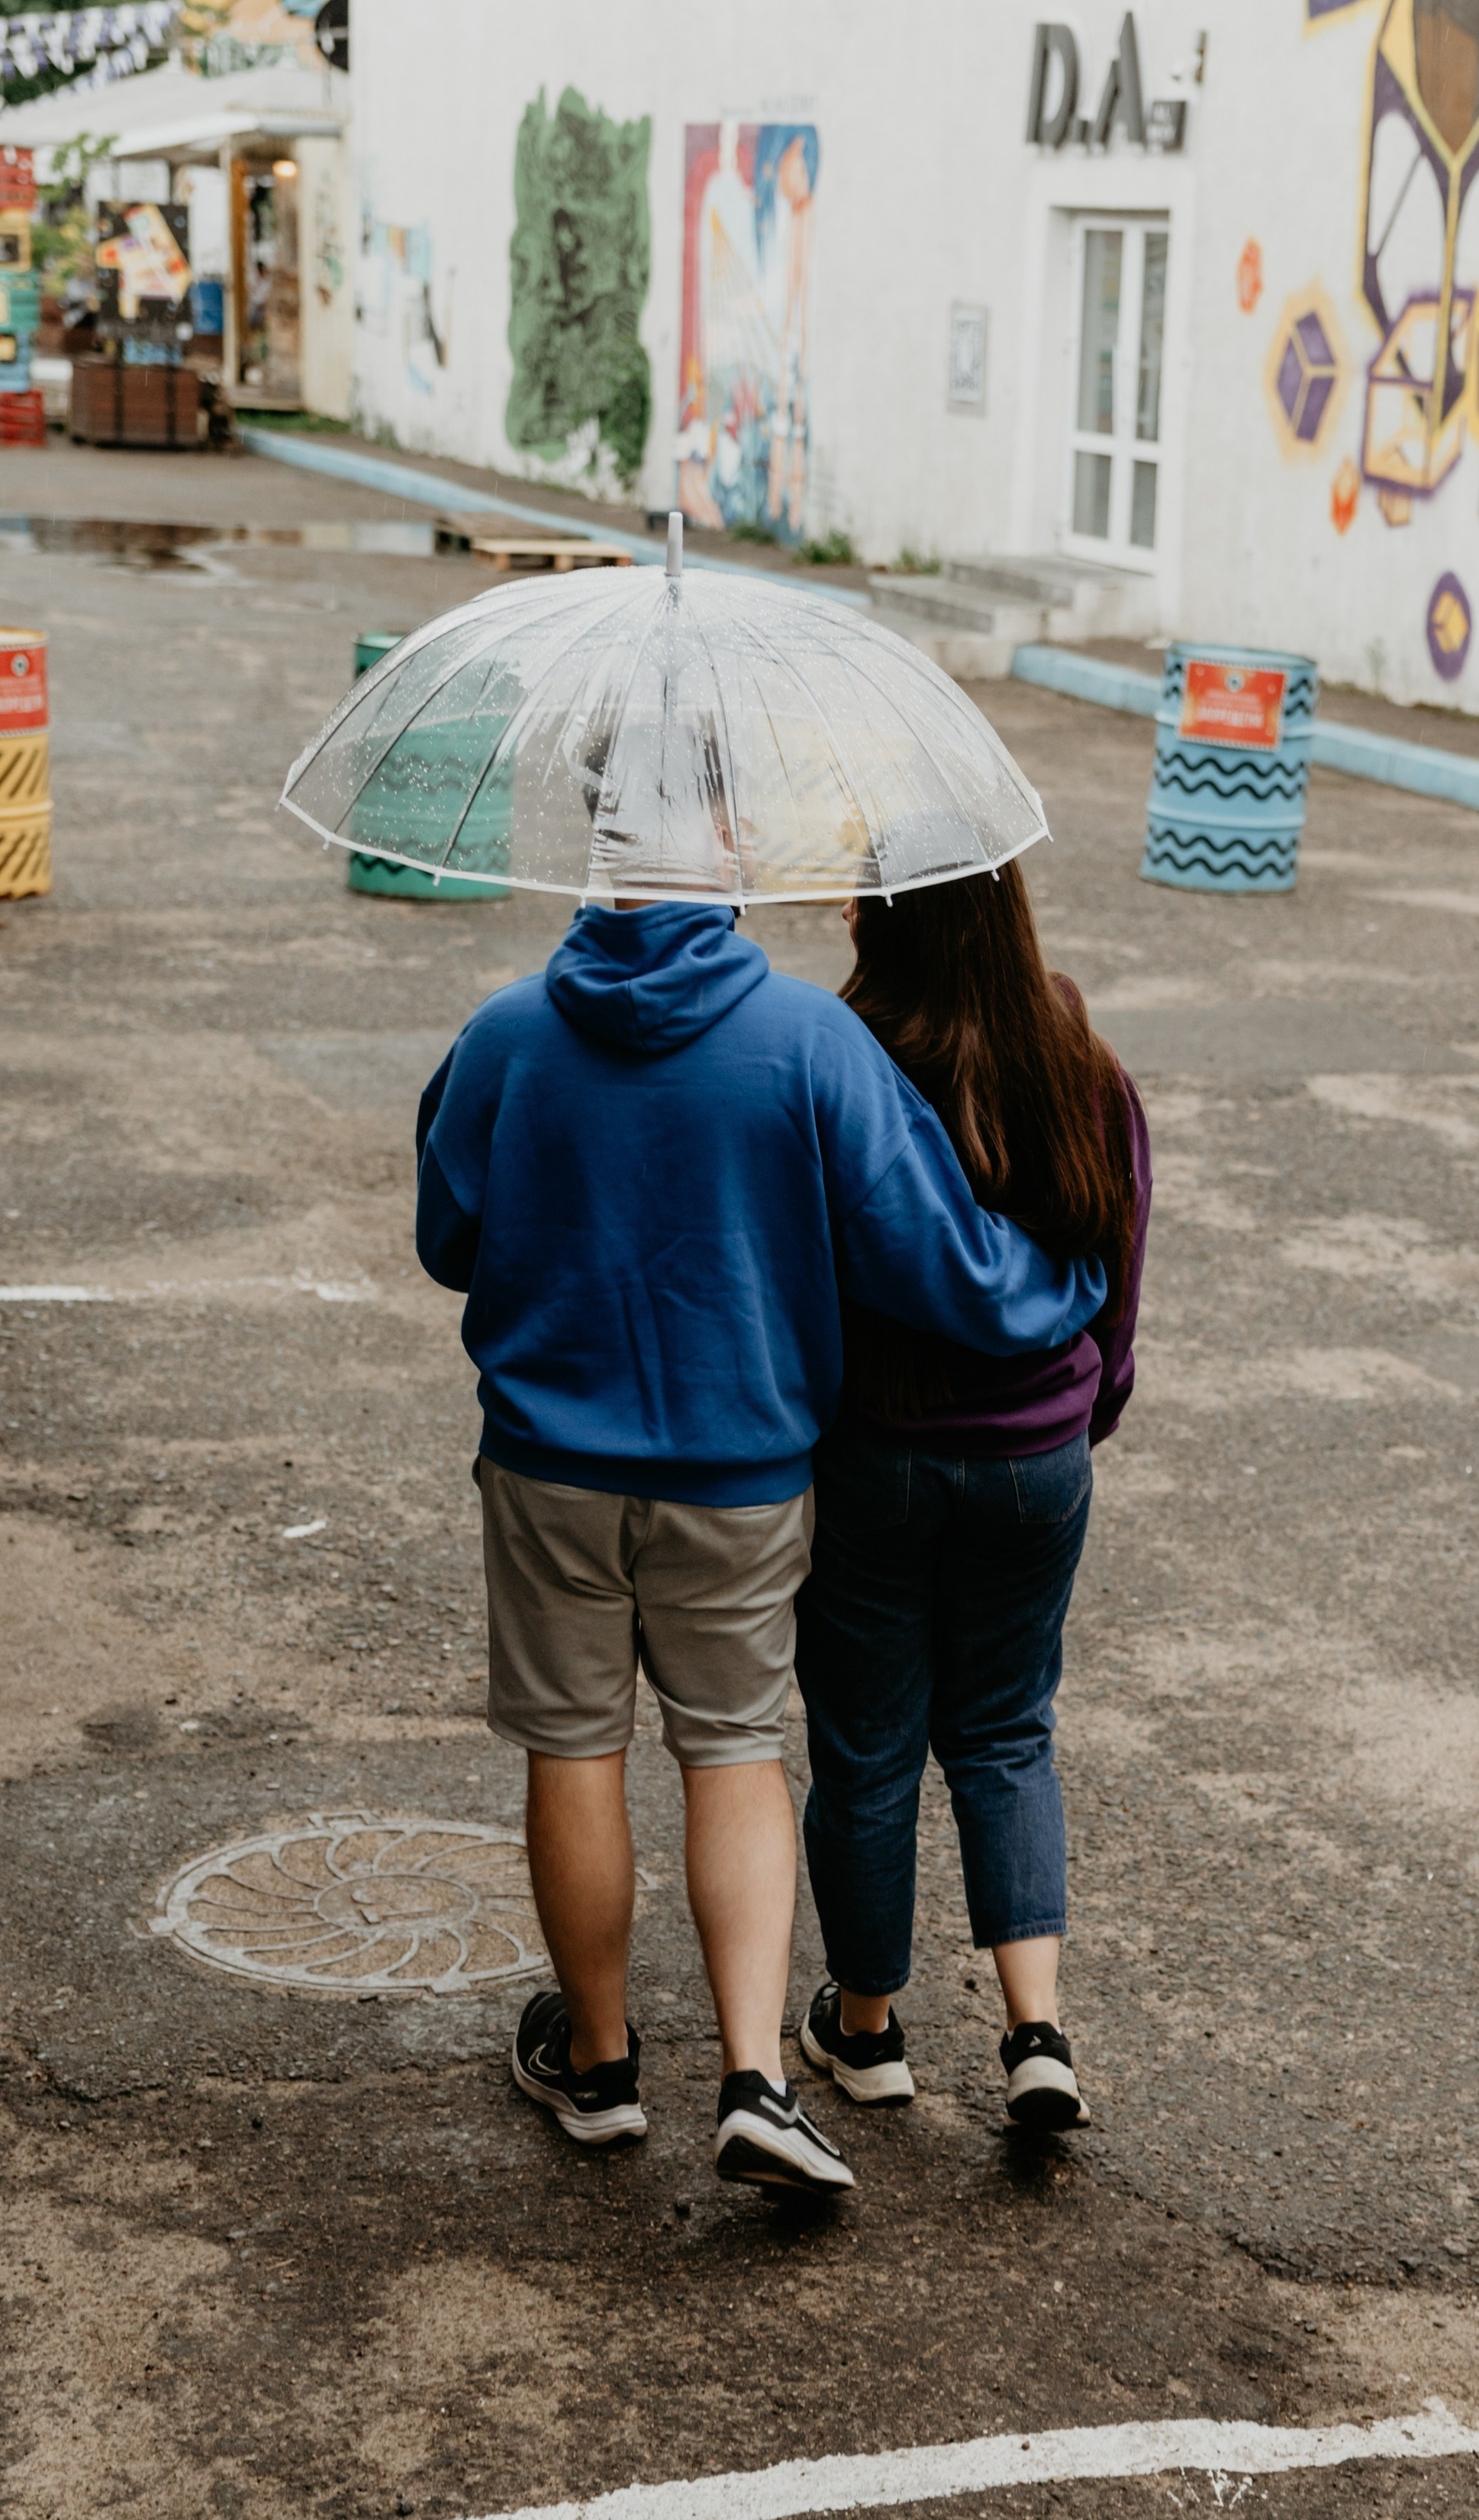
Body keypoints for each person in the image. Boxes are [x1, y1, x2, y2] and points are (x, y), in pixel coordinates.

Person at [414, 894, 1105, 2194]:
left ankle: (603, 2067)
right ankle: (757, 2082)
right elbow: (937, 1257)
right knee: (734, 1748)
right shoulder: (807, 1039)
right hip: (742, 1470)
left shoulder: (504, 1034)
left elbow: (446, 1238)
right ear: (725, 850)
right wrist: (1069, 1285)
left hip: (551, 1460)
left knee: (574, 1746)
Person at [791, 862, 1150, 2132]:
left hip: (877, 1452)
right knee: (1006, 1730)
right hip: (1039, 1455)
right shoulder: (1078, 1054)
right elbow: (1122, 1252)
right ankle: (1035, 2033)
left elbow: (806, 1273)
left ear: (890, 916)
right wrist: (1078, 1421)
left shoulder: (844, 1059)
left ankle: (868, 2029)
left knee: (868, 1739)